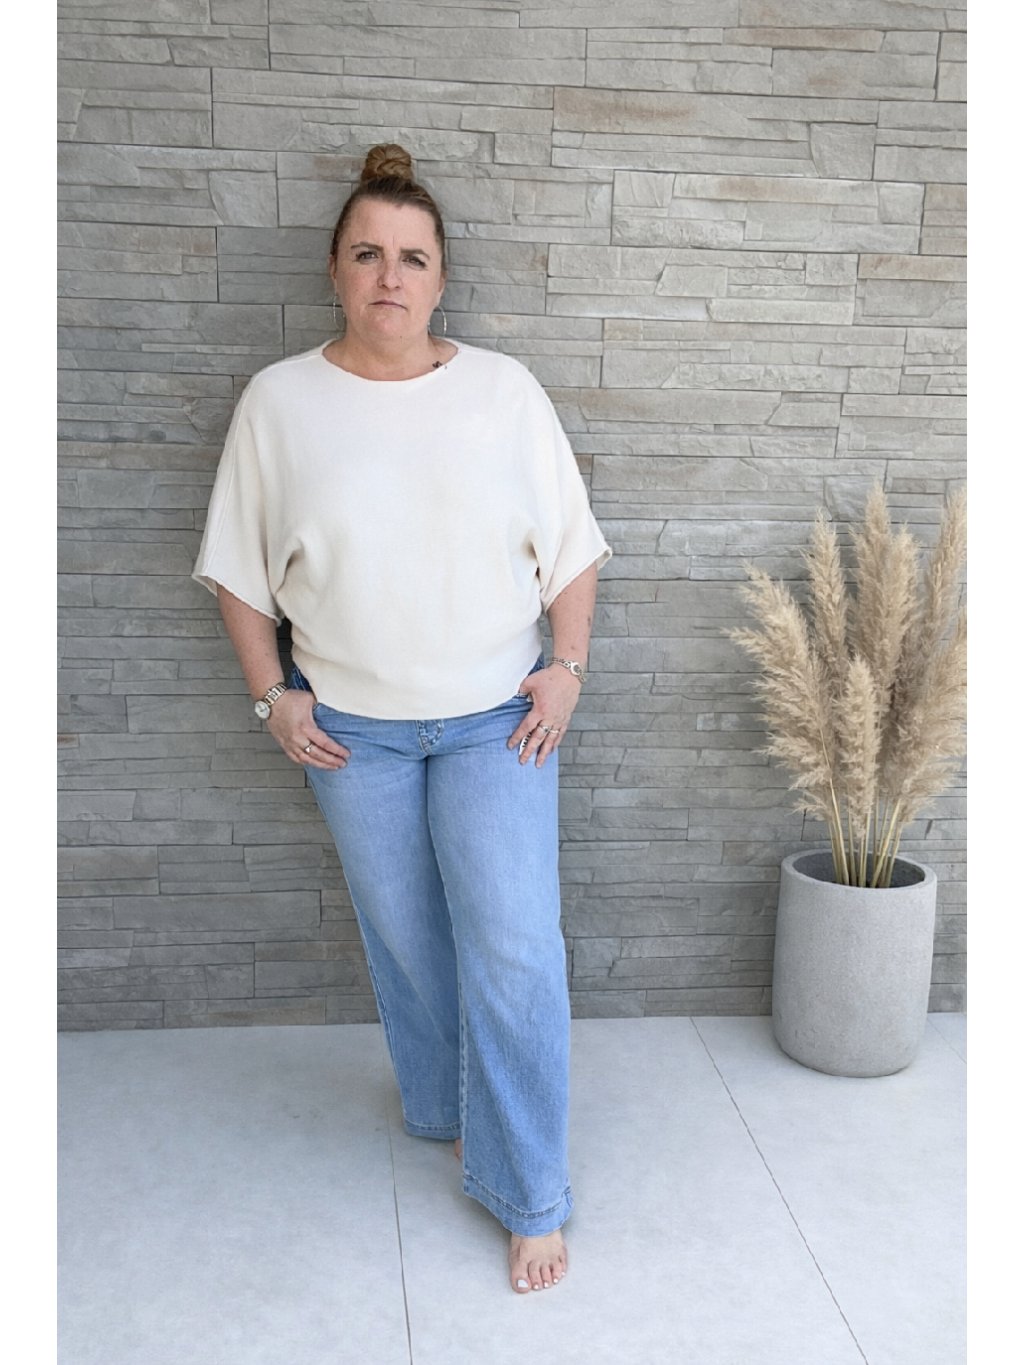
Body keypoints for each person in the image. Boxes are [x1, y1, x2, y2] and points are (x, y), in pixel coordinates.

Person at [192, 144, 611, 1295]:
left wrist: (567, 668)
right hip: (353, 734)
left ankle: (531, 1194)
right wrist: (271, 694)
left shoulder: (503, 392)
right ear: (335, 269)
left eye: (412, 258)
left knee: (515, 946)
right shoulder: (279, 403)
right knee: (410, 943)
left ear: (440, 279)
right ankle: (447, 1110)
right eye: (369, 254)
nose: (391, 276)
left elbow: (571, 547)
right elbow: (238, 572)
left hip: (496, 722)